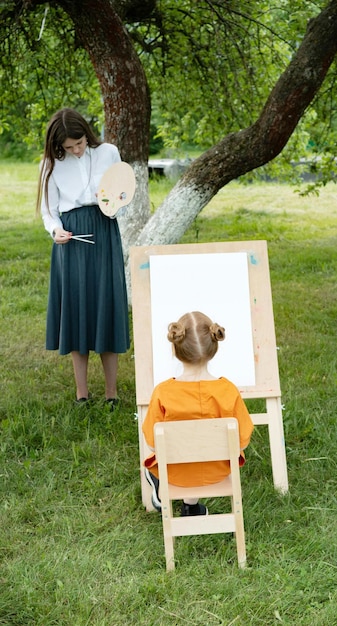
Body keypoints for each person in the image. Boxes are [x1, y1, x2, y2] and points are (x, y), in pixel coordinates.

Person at [36, 108, 130, 405]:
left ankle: (111, 394)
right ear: (58, 146)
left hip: (104, 231)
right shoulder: (50, 164)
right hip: (72, 238)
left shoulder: (108, 153)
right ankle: (82, 394)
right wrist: (56, 230)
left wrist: (115, 208)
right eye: (68, 147)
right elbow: (49, 210)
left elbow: (122, 196)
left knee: (107, 302)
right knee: (77, 309)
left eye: (79, 143)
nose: (76, 150)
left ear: (86, 135)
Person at [142, 311, 254, 516]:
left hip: (175, 471)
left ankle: (160, 484)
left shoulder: (163, 392)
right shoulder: (228, 390)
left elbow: (151, 443)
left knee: (166, 455)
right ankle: (191, 507)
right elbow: (242, 442)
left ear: (175, 349)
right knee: (198, 457)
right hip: (217, 471)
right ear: (214, 348)